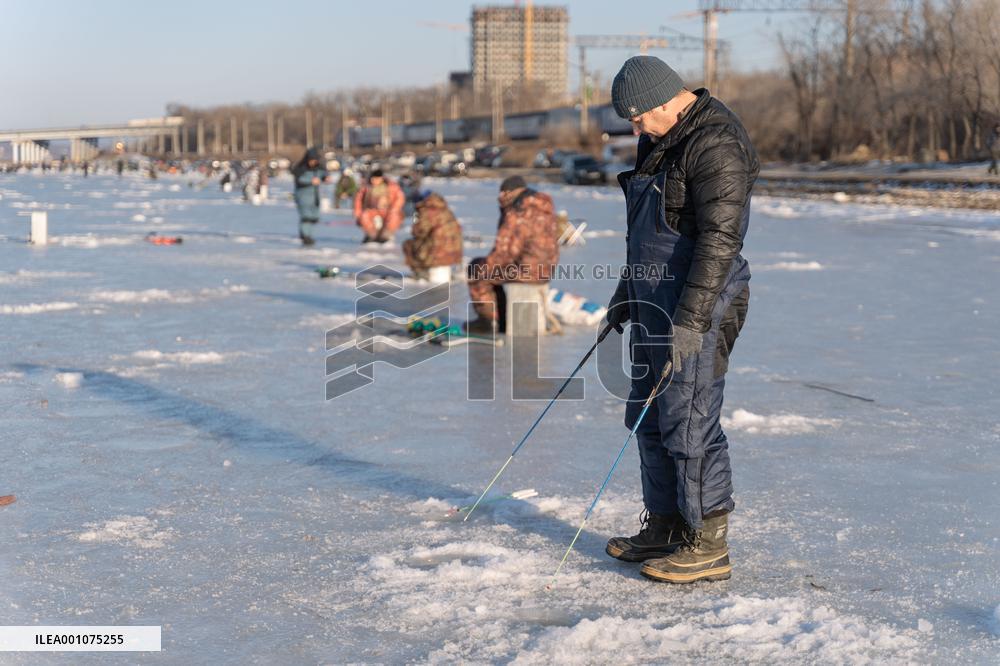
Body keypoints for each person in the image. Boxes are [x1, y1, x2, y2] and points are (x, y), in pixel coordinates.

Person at [602, 56, 757, 584]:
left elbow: (719, 242)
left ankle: (708, 542)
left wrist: (690, 322)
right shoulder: (657, 138)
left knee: (688, 419)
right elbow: (645, 234)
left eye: (640, 116)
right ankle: (666, 526)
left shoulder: (717, 144)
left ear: (668, 100)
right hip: (652, 296)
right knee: (646, 414)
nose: (635, 128)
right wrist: (627, 293)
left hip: (701, 301)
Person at [465, 176, 559, 334]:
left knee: (478, 269)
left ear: (513, 192)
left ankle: (488, 321)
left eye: (504, 193)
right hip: (545, 269)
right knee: (493, 271)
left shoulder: (518, 211)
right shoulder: (544, 208)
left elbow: (505, 251)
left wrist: (486, 265)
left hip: (526, 271)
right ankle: (501, 317)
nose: (500, 197)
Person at [402, 191, 463, 280]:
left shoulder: (426, 211)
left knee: (408, 244)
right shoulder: (444, 209)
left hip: (437, 253)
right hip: (454, 254)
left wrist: (416, 221)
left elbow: (419, 231)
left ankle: (421, 272)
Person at [353, 169, 405, 243]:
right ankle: (371, 235)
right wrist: (358, 212)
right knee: (364, 216)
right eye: (372, 179)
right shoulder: (366, 187)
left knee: (394, 217)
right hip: (371, 210)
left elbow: (400, 197)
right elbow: (358, 199)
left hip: (388, 210)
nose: (374, 181)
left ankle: (386, 235)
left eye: (376, 179)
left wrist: (395, 208)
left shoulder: (391, 186)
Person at [291, 147, 329, 246]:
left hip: (315, 197)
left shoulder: (319, 168)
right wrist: (310, 181)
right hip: (302, 196)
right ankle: (306, 236)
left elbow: (323, 175)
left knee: (313, 217)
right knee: (306, 217)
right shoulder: (300, 169)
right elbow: (299, 180)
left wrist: (326, 178)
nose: (313, 162)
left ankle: (305, 233)